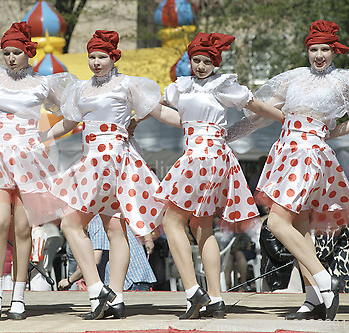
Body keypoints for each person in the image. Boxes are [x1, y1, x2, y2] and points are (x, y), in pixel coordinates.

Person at [41, 30, 181, 320]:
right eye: (91, 56)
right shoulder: (81, 89)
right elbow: (68, 122)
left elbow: (158, 111)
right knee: (90, 226)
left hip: (114, 159)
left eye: (101, 56)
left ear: (113, 57)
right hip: (93, 159)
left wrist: (193, 124)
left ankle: (107, 293)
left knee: (104, 227)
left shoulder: (127, 84)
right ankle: (105, 293)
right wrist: (41, 137)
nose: (95, 62)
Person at [149, 32, 283, 319]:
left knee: (170, 221)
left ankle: (192, 291)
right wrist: (137, 114)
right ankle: (217, 298)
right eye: (196, 60)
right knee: (202, 227)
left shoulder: (222, 86)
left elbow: (255, 106)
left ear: (216, 63)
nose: (200, 66)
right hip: (210, 157)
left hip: (203, 158)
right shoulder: (182, 87)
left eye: (207, 61)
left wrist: (287, 119)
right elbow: (174, 117)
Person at [0, 21, 75, 320]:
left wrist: (47, 136)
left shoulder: (42, 83)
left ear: (28, 52)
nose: (11, 58)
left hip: (30, 158)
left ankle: (18, 294)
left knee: (22, 227)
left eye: (16, 52)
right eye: (6, 53)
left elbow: (71, 113)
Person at [247, 20, 349, 321]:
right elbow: (271, 114)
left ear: (334, 51)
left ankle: (324, 278)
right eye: (314, 49)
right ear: (307, 50)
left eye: (325, 50)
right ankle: (313, 299)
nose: (319, 55)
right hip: (286, 151)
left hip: (309, 154)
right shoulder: (293, 78)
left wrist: (326, 132)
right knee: (300, 228)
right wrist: (244, 107)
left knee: (277, 224)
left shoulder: (343, 80)